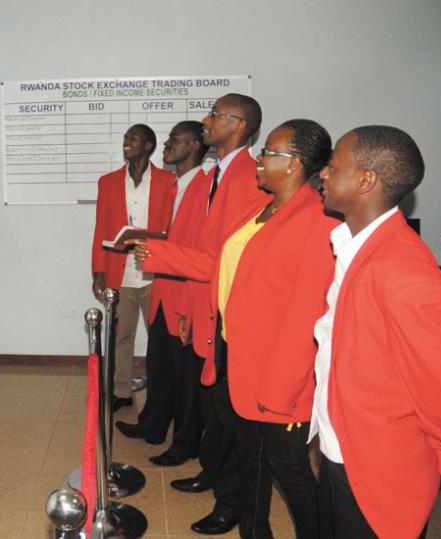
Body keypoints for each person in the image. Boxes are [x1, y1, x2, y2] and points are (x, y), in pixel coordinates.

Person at [313, 125, 441, 538]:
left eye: (332, 165)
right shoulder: (356, 250)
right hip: (340, 445)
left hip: (376, 466)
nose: (323, 175)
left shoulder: (403, 270)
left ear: (366, 180)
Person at [136, 94, 271, 535]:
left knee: (228, 417)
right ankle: (215, 477)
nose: (206, 121)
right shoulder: (218, 176)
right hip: (207, 310)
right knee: (214, 411)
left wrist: (156, 253)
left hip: (232, 319)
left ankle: (231, 503)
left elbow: (222, 263)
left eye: (214, 115)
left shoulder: (247, 180)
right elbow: (206, 253)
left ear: (239, 124)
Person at [211, 120, 337, 538]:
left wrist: (281, 390)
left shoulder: (318, 219)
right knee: (252, 458)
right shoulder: (263, 209)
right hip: (246, 362)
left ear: (295, 163)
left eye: (268, 151)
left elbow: (307, 314)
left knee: (290, 468)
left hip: (281, 377)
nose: (259, 159)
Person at [116, 121, 209, 462]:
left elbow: (199, 247)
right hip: (162, 288)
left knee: (186, 378)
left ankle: (184, 444)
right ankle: (152, 424)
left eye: (174, 140)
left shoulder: (203, 185)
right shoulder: (176, 186)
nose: (167, 144)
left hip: (184, 291)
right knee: (159, 365)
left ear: (196, 145)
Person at [90, 124, 175, 412]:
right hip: (120, 272)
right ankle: (122, 391)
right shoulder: (108, 182)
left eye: (134, 138)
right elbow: (100, 226)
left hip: (156, 273)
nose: (127, 142)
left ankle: (162, 394)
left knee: (159, 339)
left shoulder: (168, 181)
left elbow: (172, 228)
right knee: (121, 336)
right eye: (126, 139)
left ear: (149, 145)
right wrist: (98, 271)